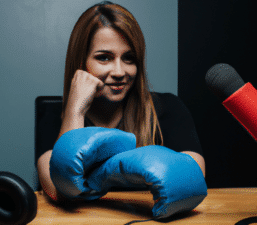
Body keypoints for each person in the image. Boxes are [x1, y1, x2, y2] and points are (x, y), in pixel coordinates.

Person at [37, 1, 205, 201]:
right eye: (104, 58)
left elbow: (194, 177)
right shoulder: (52, 116)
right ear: (81, 63)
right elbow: (60, 191)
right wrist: (75, 111)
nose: (119, 72)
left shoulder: (168, 108)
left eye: (129, 58)